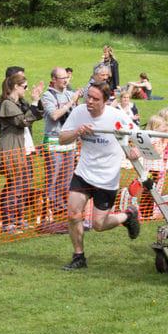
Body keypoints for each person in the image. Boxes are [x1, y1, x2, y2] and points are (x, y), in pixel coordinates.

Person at [57, 82, 140, 270]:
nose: (90, 102)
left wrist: (136, 151)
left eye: (95, 99)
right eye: (89, 97)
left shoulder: (117, 116)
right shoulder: (79, 112)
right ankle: (79, 256)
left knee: (98, 225)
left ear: (106, 101)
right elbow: (62, 138)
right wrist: (78, 132)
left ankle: (127, 216)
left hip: (107, 178)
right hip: (84, 173)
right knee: (73, 214)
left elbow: (142, 138)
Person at [0, 72, 44, 233]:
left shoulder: (20, 102)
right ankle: (8, 221)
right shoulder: (7, 103)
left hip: (25, 150)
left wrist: (36, 99)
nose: (26, 90)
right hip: (13, 150)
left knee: (25, 186)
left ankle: (19, 218)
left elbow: (36, 115)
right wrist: (34, 102)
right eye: (25, 87)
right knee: (15, 186)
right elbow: (22, 121)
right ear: (16, 86)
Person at [41, 67, 81, 220]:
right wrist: (72, 101)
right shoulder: (47, 96)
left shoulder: (70, 93)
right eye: (62, 78)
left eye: (67, 77)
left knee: (67, 178)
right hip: (53, 141)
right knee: (52, 178)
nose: (65, 80)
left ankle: (60, 206)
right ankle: (47, 210)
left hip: (69, 142)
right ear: (53, 79)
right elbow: (54, 115)